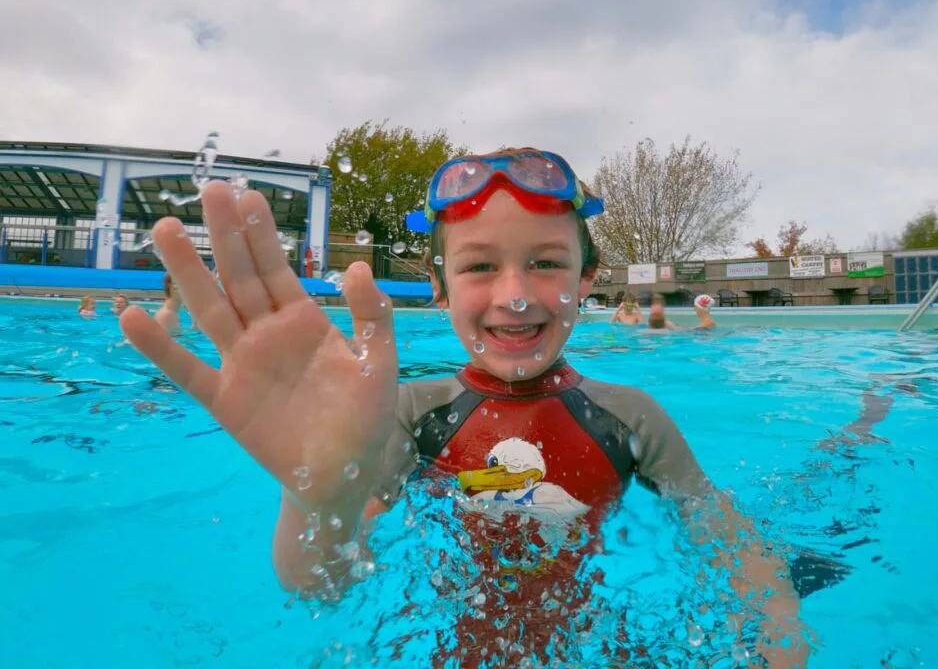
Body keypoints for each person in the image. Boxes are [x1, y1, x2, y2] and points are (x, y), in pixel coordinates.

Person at [119, 148, 809, 667]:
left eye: (546, 262)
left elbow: (727, 540)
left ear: (587, 279)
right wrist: (316, 501)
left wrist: (779, 637)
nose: (514, 294)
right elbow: (321, 588)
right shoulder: (409, 414)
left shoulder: (632, 418)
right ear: (440, 289)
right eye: (479, 267)